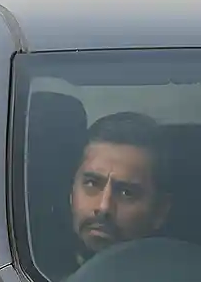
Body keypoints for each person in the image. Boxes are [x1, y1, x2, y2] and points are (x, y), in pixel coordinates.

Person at [69, 111, 172, 265]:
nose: (104, 207)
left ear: (160, 211)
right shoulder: (31, 272)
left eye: (127, 193)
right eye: (91, 184)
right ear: (72, 193)